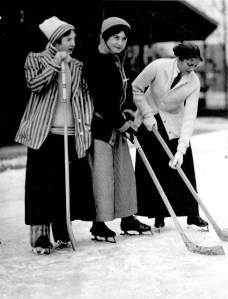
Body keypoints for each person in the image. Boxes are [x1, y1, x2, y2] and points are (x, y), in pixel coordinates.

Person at [15, 16, 95, 254]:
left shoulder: (77, 65)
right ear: (55, 40)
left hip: (71, 132)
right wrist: (54, 63)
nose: (73, 42)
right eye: (68, 38)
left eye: (74, 38)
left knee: (65, 185)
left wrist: (86, 125)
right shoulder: (35, 58)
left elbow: (84, 98)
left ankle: (62, 231)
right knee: (41, 186)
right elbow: (34, 84)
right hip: (44, 133)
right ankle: (40, 237)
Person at [84, 16, 151, 242]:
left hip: (118, 126)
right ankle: (99, 223)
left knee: (124, 173)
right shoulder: (95, 61)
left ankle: (127, 218)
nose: (120, 42)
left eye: (123, 38)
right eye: (115, 37)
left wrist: (130, 112)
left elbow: (125, 92)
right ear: (104, 36)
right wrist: (123, 124)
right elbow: (102, 101)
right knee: (102, 176)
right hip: (102, 127)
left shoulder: (117, 60)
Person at [132, 42, 208, 231]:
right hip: (149, 121)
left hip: (174, 122)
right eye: (189, 64)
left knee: (184, 165)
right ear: (179, 59)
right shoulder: (158, 66)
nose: (192, 69)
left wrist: (182, 149)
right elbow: (136, 88)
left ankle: (192, 214)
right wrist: (147, 114)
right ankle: (159, 214)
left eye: (195, 65)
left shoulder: (193, 82)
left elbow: (190, 116)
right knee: (156, 167)